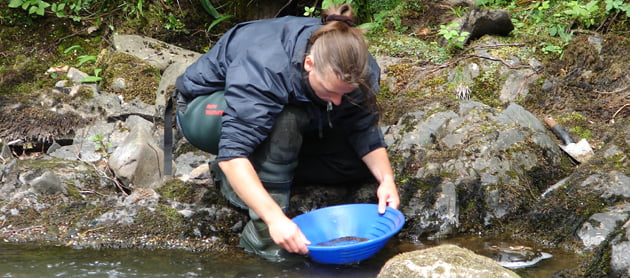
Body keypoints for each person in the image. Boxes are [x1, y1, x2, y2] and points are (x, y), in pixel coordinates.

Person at [174, 4, 400, 262]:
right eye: (329, 91)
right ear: (309, 63)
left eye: (343, 94)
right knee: (286, 119)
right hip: (204, 108)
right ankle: (261, 237)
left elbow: (363, 127)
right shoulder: (266, 67)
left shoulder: (357, 67)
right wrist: (275, 220)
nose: (337, 101)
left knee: (355, 165)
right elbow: (233, 153)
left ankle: (255, 177)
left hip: (296, 105)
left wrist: (386, 180)